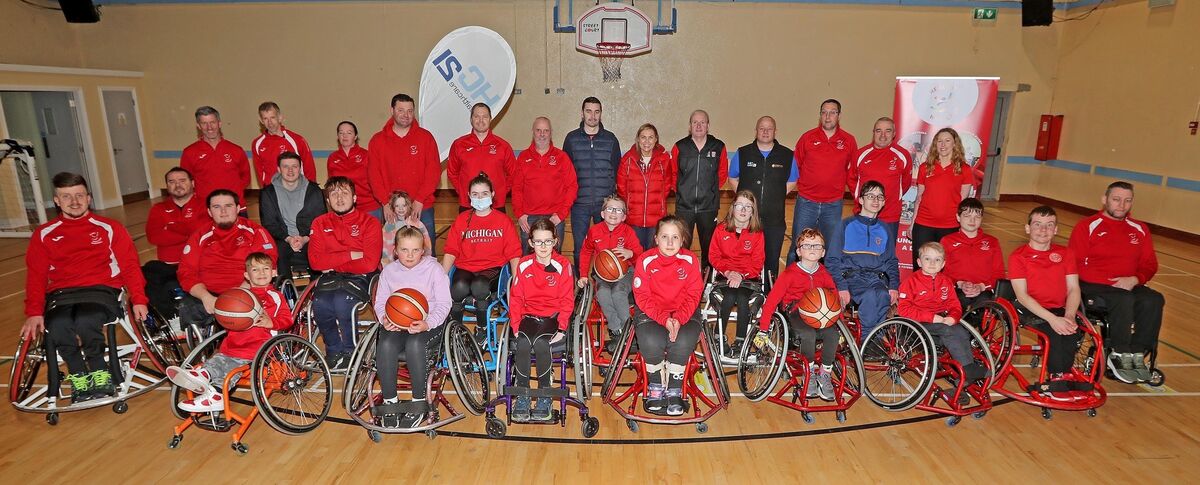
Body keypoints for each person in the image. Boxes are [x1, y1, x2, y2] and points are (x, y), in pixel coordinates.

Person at [22, 172, 149, 403]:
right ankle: (79, 375)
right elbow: (36, 276)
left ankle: (100, 373)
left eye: (79, 195)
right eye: (67, 196)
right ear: (57, 200)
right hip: (62, 294)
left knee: (86, 319)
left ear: (89, 198)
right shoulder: (44, 234)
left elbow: (130, 266)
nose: (74, 201)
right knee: (58, 323)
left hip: (101, 290)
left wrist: (139, 298)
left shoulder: (109, 227)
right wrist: (33, 312)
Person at [164, 252, 293, 412]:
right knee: (219, 359)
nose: (261, 273)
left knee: (229, 367)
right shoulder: (238, 295)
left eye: (266, 269)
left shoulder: (275, 296)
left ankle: (211, 388)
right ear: (246, 275)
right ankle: (205, 378)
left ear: (274, 273)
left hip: (258, 349)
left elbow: (288, 320)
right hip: (233, 345)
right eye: (255, 270)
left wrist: (271, 322)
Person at [1068, 181, 1163, 384]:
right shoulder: (1087, 226)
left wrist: (1136, 279)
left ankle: (1137, 352)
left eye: (1127, 201)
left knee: (1153, 300)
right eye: (1116, 199)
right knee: (1123, 299)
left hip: (1129, 284)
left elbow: (1150, 263)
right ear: (1105, 200)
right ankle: (1118, 353)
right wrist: (1112, 282)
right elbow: (1075, 265)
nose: (1122, 205)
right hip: (1093, 285)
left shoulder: (1140, 229)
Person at [372, 226, 451, 428]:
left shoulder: (434, 270)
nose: (410, 255)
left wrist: (427, 323)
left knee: (415, 345)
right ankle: (390, 401)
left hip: (429, 324)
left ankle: (418, 402)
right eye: (405, 250)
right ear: (395, 250)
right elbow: (380, 302)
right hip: (397, 324)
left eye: (415, 250)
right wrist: (385, 318)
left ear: (423, 250)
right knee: (386, 344)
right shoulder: (389, 272)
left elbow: (444, 304)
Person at [897, 242, 991, 401]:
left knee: (960, 329)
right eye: (927, 259)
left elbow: (954, 304)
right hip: (916, 323)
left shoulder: (946, 281)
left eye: (937, 260)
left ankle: (965, 375)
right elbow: (904, 309)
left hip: (940, 321)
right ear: (919, 262)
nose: (932, 263)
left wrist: (953, 317)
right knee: (948, 330)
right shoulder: (910, 282)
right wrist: (933, 318)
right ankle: (968, 369)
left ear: (943, 264)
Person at [1009, 206, 1085, 402]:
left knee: (1071, 329)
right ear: (1028, 228)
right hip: (1029, 308)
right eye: (1038, 225)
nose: (1043, 230)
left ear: (1056, 230)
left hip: (1060, 308)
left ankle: (1065, 372)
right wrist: (1053, 319)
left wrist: (1068, 316)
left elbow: (1074, 289)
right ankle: (1057, 376)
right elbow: (1022, 295)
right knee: (1054, 331)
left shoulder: (1066, 254)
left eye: (1049, 225)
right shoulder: (1018, 256)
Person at [307, 177, 382, 371]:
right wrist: (350, 255)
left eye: (345, 193)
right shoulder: (319, 222)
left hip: (361, 277)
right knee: (320, 303)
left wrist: (332, 260)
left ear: (355, 197)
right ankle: (334, 350)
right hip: (332, 278)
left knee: (342, 301)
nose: (339, 198)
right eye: (334, 194)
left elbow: (369, 263)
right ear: (328, 200)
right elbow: (315, 262)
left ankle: (351, 351)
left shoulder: (370, 222)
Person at [632, 215, 704, 416]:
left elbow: (693, 295)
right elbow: (643, 297)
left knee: (683, 339)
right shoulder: (645, 260)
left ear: (683, 240)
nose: (670, 243)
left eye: (675, 237)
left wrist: (679, 319)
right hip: (652, 311)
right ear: (656, 238)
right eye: (665, 237)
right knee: (650, 338)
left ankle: (674, 388)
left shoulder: (690, 260)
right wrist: (665, 319)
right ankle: (655, 386)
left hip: (684, 311)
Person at [177, 189, 278, 330]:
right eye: (216, 207)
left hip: (246, 289)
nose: (223, 211)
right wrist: (205, 297)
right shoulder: (199, 236)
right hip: (209, 294)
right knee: (188, 307)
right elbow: (186, 272)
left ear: (237, 208)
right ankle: (205, 349)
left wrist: (237, 293)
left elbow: (266, 263)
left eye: (228, 206)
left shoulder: (255, 232)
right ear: (209, 212)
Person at [759, 228, 839, 401]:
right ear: (798, 251)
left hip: (820, 314)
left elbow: (834, 297)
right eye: (807, 245)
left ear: (823, 252)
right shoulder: (789, 274)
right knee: (807, 334)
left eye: (817, 245)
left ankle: (825, 373)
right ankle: (808, 372)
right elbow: (772, 300)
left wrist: (837, 319)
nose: (812, 248)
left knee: (833, 334)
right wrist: (763, 329)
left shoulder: (824, 273)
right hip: (795, 311)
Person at [508, 219, 575, 421]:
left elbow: (566, 300)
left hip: (552, 317)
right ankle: (522, 394)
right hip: (529, 316)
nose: (543, 246)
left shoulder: (563, 266)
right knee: (522, 342)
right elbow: (516, 298)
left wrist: (562, 329)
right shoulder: (524, 264)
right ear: (531, 243)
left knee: (541, 342)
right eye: (538, 242)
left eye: (547, 241)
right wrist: (516, 325)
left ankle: (545, 394)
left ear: (556, 241)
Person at [442, 174, 522, 324]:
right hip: (466, 268)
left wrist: (517, 280)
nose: (480, 198)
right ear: (469, 196)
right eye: (475, 194)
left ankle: (482, 329)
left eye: (484, 194)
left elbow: (514, 253)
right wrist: (440, 276)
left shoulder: (503, 221)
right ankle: (456, 330)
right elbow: (451, 250)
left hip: (492, 268)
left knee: (479, 286)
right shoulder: (462, 220)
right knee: (458, 287)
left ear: (492, 194)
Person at [367, 93, 441, 255]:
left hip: (422, 207)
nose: (406, 115)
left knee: (427, 253)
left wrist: (420, 200)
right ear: (392, 110)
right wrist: (385, 203)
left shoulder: (426, 138)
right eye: (401, 110)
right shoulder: (377, 141)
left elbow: (433, 172)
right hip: (391, 210)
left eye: (410, 111)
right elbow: (374, 175)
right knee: (391, 253)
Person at [826, 180, 899, 338]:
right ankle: (867, 342)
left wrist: (893, 286)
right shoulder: (846, 225)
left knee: (883, 295)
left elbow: (891, 261)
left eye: (880, 197)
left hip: (875, 278)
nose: (875, 200)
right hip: (851, 278)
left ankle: (876, 340)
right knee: (870, 296)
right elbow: (832, 260)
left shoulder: (884, 228)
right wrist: (842, 287)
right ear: (860, 200)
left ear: (884, 202)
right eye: (871, 196)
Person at [789, 99, 858, 264]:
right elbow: (794, 167)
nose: (828, 117)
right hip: (806, 202)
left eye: (832, 112)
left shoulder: (849, 141)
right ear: (820, 115)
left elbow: (853, 172)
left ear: (839, 115)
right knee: (798, 247)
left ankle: (826, 287)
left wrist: (858, 198)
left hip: (833, 205)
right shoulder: (807, 138)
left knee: (830, 249)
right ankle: (791, 286)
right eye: (824, 112)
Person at [729, 116, 797, 278]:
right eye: (762, 128)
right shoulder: (743, 152)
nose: (765, 131)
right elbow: (732, 177)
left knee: (771, 261)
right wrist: (744, 201)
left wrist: (775, 195)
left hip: (774, 220)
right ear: (756, 131)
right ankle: (747, 293)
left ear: (775, 131)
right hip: (747, 220)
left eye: (769, 128)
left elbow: (793, 180)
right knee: (744, 259)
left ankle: (768, 296)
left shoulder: (787, 155)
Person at [576, 194, 643, 353]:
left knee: (618, 294)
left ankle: (629, 329)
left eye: (619, 210)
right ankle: (616, 329)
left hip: (626, 272)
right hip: (602, 274)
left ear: (624, 216)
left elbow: (641, 255)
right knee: (603, 295)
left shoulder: (628, 232)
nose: (614, 213)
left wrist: (630, 253)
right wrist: (583, 274)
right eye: (610, 209)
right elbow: (586, 252)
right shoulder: (594, 231)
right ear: (602, 213)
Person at [562, 97, 622, 271]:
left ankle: (600, 285)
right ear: (582, 113)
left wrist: (612, 200)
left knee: (604, 249)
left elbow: (617, 170)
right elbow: (567, 173)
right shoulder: (571, 139)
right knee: (580, 248)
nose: (592, 116)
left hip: (604, 205)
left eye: (596, 112)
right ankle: (582, 285)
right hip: (579, 204)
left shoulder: (611, 139)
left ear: (601, 114)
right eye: (589, 111)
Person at [144, 167, 211, 321]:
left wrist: (171, 228)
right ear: (167, 186)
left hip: (198, 264)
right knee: (147, 276)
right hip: (169, 265)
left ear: (192, 183)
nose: (177, 185)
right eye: (172, 182)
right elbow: (154, 236)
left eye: (182, 180)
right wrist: (189, 232)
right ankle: (165, 321)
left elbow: (206, 234)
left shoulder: (205, 205)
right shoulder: (158, 209)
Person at [708, 190, 765, 360]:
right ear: (732, 207)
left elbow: (757, 262)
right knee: (729, 296)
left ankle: (741, 341)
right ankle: (718, 336)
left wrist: (741, 275)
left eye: (748, 207)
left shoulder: (757, 234)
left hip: (748, 279)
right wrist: (728, 272)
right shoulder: (720, 230)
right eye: (739, 205)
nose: (743, 210)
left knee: (741, 298)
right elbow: (713, 256)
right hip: (725, 277)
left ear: (753, 211)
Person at [671, 110, 728, 270]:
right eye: (695, 122)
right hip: (684, 207)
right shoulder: (680, 147)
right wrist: (683, 192)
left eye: (702, 122)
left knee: (709, 249)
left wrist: (710, 191)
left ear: (708, 126)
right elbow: (673, 173)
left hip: (708, 208)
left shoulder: (718, 146)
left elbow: (722, 174)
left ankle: (707, 281)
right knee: (681, 247)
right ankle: (680, 278)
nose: (698, 125)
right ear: (689, 126)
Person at [910, 128, 975, 270]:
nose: (943, 145)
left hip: (950, 225)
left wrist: (962, 227)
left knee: (946, 267)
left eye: (947, 141)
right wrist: (912, 223)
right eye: (939, 141)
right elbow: (919, 197)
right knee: (920, 265)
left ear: (955, 144)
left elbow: (963, 202)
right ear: (935, 144)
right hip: (924, 223)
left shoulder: (964, 169)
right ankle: (919, 292)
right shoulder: (924, 168)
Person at [513, 117, 577, 251]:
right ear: (533, 131)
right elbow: (517, 188)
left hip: (554, 218)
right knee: (528, 259)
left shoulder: (562, 157)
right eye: (538, 130)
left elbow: (572, 186)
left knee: (553, 259)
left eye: (546, 130)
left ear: (551, 132)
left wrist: (561, 214)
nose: (542, 134)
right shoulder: (523, 158)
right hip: (528, 219)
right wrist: (520, 214)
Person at [259, 152, 326, 278]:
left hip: (308, 237)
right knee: (279, 254)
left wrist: (305, 238)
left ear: (300, 168)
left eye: (294, 166)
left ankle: (317, 290)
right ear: (279, 169)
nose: (290, 170)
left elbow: (321, 221)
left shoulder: (314, 191)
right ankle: (286, 294)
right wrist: (289, 238)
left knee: (318, 253)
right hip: (283, 238)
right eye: (285, 166)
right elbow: (269, 224)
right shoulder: (268, 193)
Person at [447, 103, 516, 212]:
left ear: (490, 119)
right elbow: (452, 173)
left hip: (496, 205)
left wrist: (500, 193)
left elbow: (513, 174)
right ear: (471, 119)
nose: (480, 120)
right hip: (468, 205)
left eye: (485, 117)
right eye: (476, 116)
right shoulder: (459, 144)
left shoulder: (503, 146)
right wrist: (464, 192)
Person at [849, 117, 912, 235]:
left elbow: (905, 184)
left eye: (887, 131)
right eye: (878, 131)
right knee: (861, 252)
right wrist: (863, 200)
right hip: (863, 214)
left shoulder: (903, 156)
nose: (883, 135)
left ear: (894, 134)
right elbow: (852, 181)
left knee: (886, 253)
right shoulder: (860, 154)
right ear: (873, 133)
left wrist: (890, 198)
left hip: (890, 216)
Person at [616, 123, 675, 249]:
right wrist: (631, 207)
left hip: (656, 219)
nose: (647, 141)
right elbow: (622, 188)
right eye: (643, 137)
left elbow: (667, 186)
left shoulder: (664, 160)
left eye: (650, 137)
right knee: (635, 254)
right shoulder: (627, 160)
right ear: (638, 139)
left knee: (653, 254)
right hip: (634, 219)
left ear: (656, 139)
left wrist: (658, 203)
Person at [180, 106, 251, 208]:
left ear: (219, 123)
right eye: (204, 123)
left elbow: (246, 178)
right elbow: (186, 182)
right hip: (204, 209)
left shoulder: (236, 150)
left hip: (235, 207)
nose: (209, 127)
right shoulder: (189, 152)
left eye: (212, 122)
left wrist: (232, 194)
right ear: (198, 126)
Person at [940, 198, 1005, 310]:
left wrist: (981, 286)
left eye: (977, 217)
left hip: (984, 290)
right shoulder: (947, 241)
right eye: (967, 216)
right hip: (957, 288)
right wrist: (959, 283)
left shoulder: (992, 242)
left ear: (982, 219)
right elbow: (942, 272)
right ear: (958, 217)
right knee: (959, 301)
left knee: (983, 302)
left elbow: (999, 273)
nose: (972, 220)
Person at [251, 101, 317, 187]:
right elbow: (260, 172)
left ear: (280, 118)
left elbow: (309, 167)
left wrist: (311, 189)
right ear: (261, 121)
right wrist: (266, 190)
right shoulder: (257, 144)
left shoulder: (297, 140)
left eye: (272, 117)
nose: (269, 122)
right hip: (272, 192)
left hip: (297, 190)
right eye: (265, 119)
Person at [326, 121, 380, 219]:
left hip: (368, 207)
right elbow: (331, 186)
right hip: (342, 207)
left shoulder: (367, 155)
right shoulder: (332, 158)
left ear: (355, 136)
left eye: (349, 133)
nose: (344, 136)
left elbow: (377, 181)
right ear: (338, 136)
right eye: (341, 133)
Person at [381, 191, 432, 265]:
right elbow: (385, 248)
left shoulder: (417, 224)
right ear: (392, 207)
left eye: (404, 205)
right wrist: (387, 264)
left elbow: (426, 244)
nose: (401, 208)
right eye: (397, 206)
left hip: (415, 261)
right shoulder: (389, 226)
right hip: (394, 263)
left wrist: (424, 262)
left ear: (408, 206)